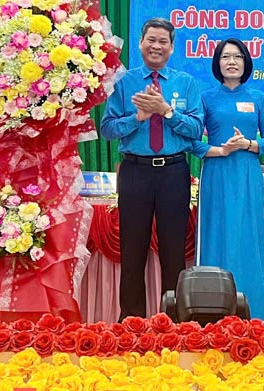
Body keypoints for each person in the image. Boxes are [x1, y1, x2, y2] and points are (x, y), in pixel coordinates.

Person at [100, 18, 203, 319]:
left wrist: (166, 112)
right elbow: (107, 129)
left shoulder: (186, 83)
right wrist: (138, 118)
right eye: (151, 40)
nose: (157, 46)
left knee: (173, 251)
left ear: (172, 48)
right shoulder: (123, 82)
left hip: (173, 172)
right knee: (133, 251)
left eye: (163, 42)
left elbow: (196, 129)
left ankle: (173, 319)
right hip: (135, 172)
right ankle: (130, 320)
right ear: (141, 42)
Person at [190, 39, 264, 321]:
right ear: (217, 63)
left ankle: (253, 314)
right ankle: (210, 312)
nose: (232, 61)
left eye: (238, 56)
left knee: (247, 237)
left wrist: (248, 144)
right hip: (216, 173)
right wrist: (221, 150)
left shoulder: (259, 98)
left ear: (246, 62)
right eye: (225, 56)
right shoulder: (206, 98)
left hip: (248, 173)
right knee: (216, 234)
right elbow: (192, 142)